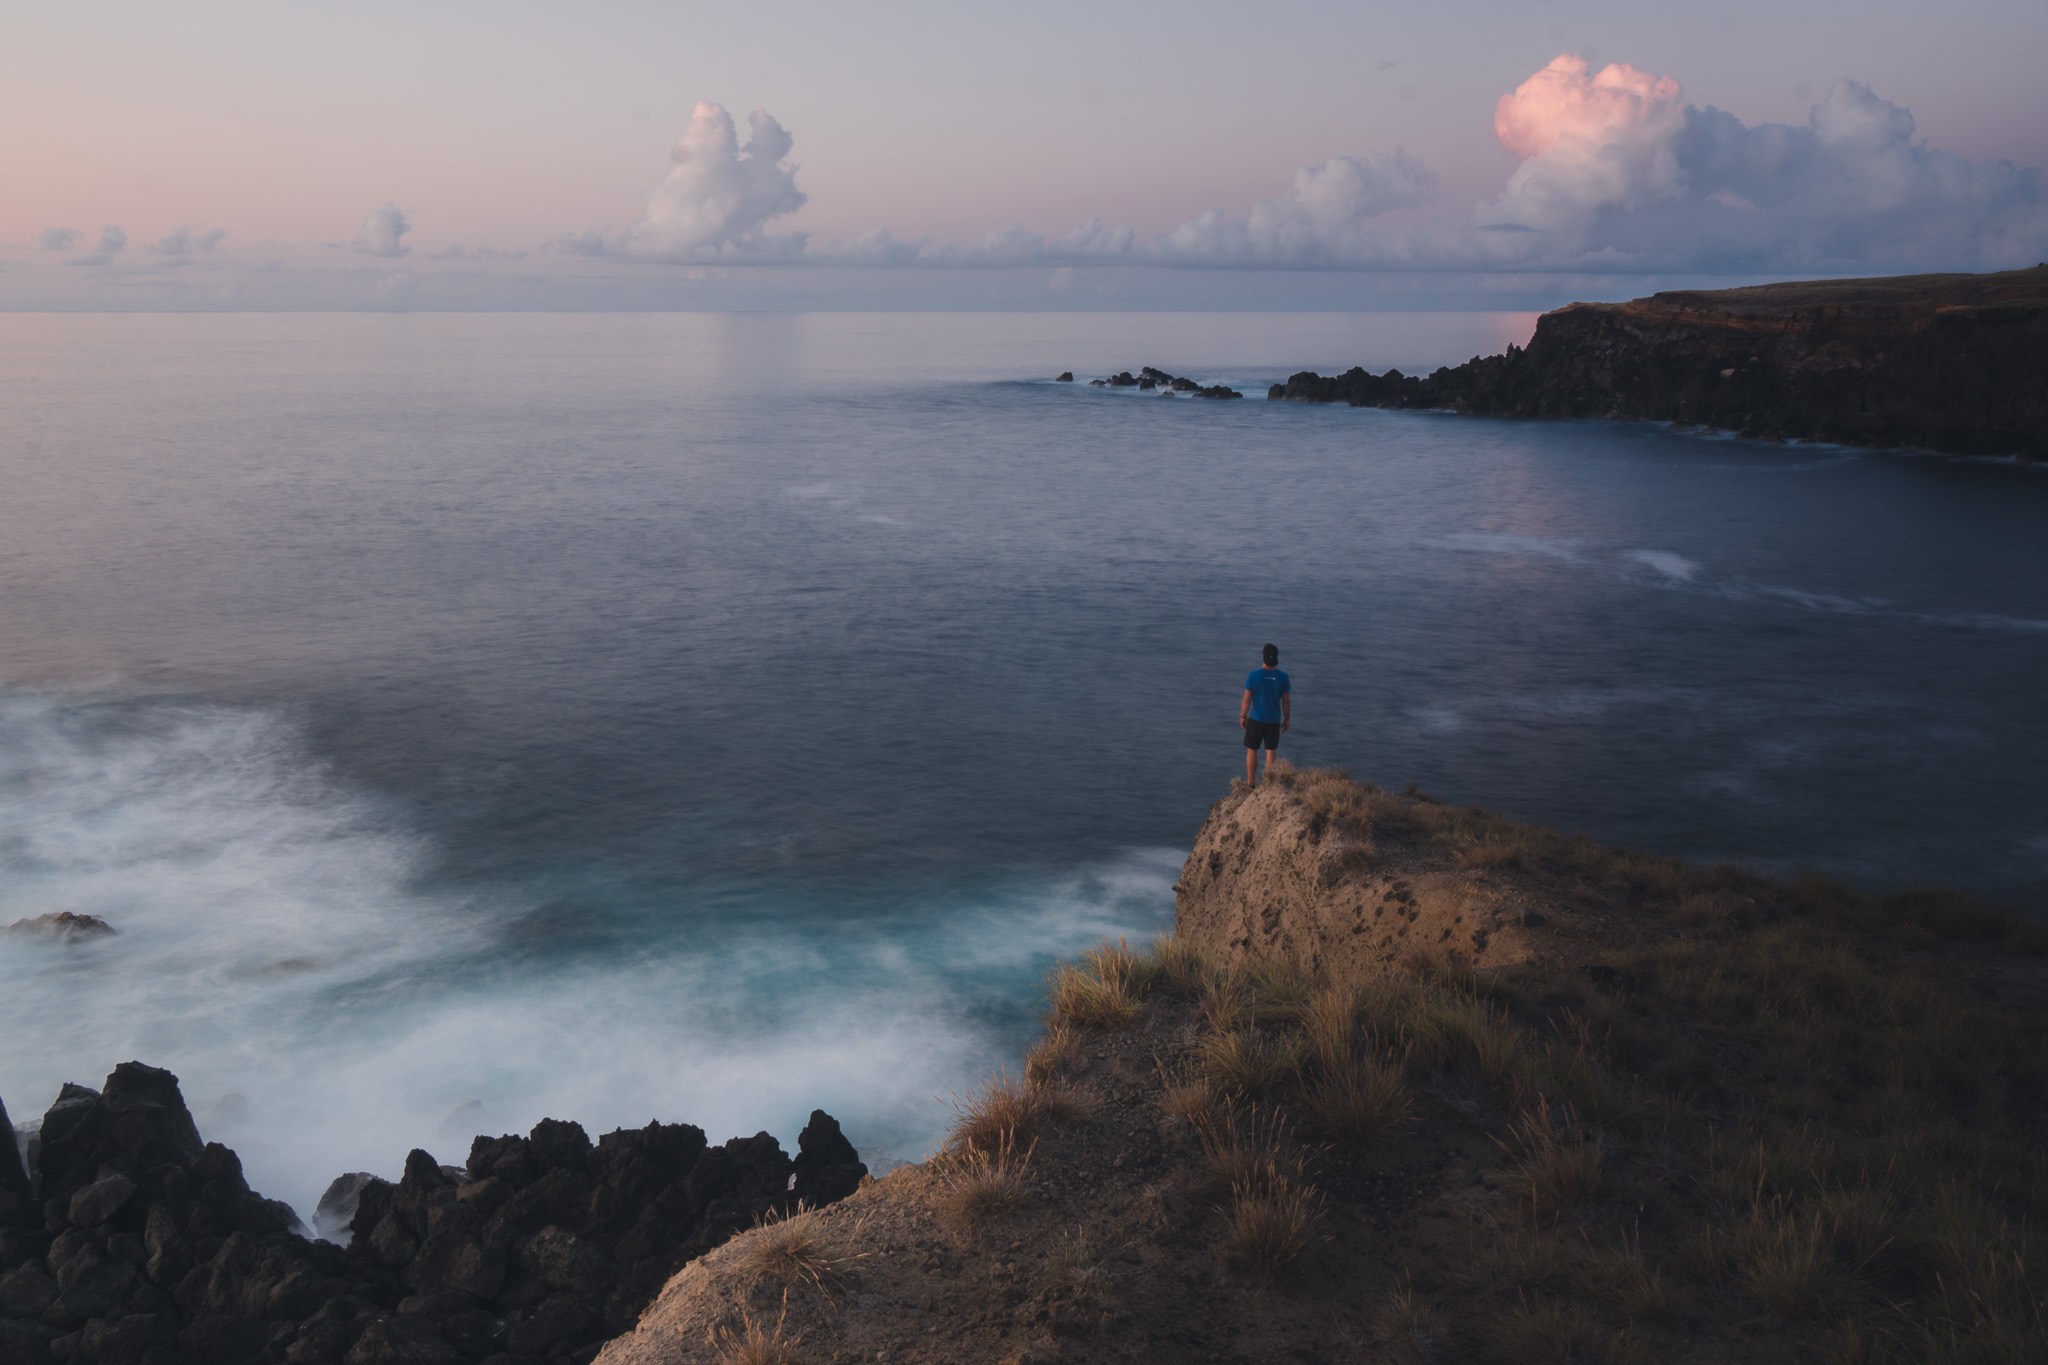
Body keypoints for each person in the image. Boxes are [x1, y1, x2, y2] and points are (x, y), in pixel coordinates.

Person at [1239, 643, 1291, 786]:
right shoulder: (1283, 677)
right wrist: (1287, 719)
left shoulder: (1253, 676)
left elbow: (1247, 700)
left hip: (1256, 718)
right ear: (1276, 657)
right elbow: (1286, 702)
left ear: (1263, 656)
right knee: (1270, 750)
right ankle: (1269, 784)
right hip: (1274, 720)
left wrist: (1243, 716)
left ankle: (1251, 782)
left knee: (1252, 749)